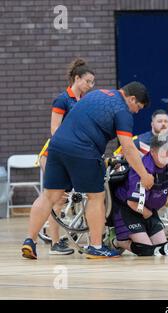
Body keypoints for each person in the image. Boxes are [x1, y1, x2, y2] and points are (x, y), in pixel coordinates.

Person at [21, 81, 152, 259]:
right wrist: (144, 175)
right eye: (138, 107)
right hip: (83, 149)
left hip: (56, 145)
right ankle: (96, 247)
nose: (137, 111)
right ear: (132, 98)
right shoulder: (123, 111)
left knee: (49, 196)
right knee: (96, 197)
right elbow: (127, 147)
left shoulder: (97, 94)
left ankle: (30, 241)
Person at [37, 58, 95, 255]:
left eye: (92, 82)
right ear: (76, 79)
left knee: (70, 198)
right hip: (53, 153)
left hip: (72, 154)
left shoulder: (84, 101)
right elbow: (55, 130)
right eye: (88, 81)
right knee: (57, 199)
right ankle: (54, 242)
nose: (90, 85)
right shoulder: (62, 99)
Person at [115, 109, 168, 223]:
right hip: (148, 180)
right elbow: (120, 153)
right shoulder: (139, 140)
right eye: (160, 121)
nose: (163, 124)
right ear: (152, 124)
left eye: (166, 121)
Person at [112, 133, 168, 256]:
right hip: (128, 207)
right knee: (146, 250)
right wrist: (147, 214)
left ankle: (142, 232)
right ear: (153, 152)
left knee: (163, 247)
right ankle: (118, 242)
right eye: (163, 152)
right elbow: (132, 202)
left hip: (148, 208)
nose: (167, 155)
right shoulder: (144, 169)